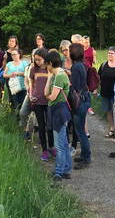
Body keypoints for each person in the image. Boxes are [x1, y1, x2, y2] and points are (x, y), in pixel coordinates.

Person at [44, 50, 72, 181]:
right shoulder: (56, 75)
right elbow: (46, 94)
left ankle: (59, 172)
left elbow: (52, 97)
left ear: (50, 63)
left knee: (59, 145)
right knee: (64, 143)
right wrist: (49, 76)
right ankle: (66, 169)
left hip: (59, 112)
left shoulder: (60, 76)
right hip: (57, 111)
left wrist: (49, 97)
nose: (45, 67)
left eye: (46, 64)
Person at [69, 43, 92, 170]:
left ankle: (86, 158)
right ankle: (84, 155)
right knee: (81, 130)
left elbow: (75, 87)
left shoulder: (76, 67)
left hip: (80, 102)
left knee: (80, 132)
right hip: (85, 98)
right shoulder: (82, 64)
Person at [30, 48, 55, 161]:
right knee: (41, 126)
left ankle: (51, 146)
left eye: (39, 59)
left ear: (44, 58)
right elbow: (31, 84)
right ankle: (44, 150)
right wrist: (30, 95)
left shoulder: (50, 69)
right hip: (37, 101)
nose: (37, 61)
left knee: (50, 126)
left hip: (49, 100)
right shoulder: (33, 69)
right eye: (35, 60)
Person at [98, 46, 115, 138]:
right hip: (105, 93)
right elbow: (98, 77)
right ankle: (111, 129)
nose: (110, 55)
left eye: (112, 53)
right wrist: (96, 88)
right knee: (108, 112)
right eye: (109, 53)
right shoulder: (103, 65)